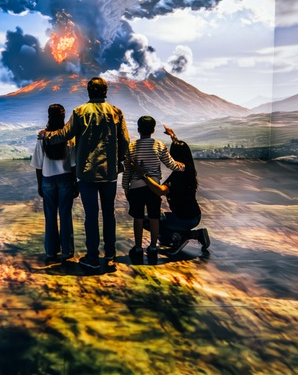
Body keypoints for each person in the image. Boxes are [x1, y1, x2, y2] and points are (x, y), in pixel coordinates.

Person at [39, 77, 130, 269]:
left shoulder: (80, 112)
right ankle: (110, 255)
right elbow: (125, 141)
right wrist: (118, 161)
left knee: (91, 216)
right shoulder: (116, 112)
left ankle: (92, 257)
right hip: (109, 173)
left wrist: (47, 136)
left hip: (87, 173)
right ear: (106, 91)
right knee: (109, 214)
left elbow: (64, 134)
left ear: (88, 91)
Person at [128, 125, 210, 253]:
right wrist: (172, 135)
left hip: (184, 219)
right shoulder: (187, 169)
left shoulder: (177, 177)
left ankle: (184, 236)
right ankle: (182, 235)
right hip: (192, 215)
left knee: (148, 221)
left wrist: (143, 174)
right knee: (161, 232)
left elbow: (160, 190)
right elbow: (181, 149)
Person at [122, 116, 185, 257]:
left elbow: (128, 170)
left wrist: (126, 187)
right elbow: (171, 164)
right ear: (153, 130)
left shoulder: (131, 147)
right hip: (154, 187)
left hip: (136, 187)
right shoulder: (159, 145)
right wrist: (184, 166)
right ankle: (152, 247)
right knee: (154, 217)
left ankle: (138, 248)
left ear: (138, 129)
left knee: (138, 218)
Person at [32, 103, 77, 260]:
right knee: (65, 215)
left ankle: (51, 251)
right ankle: (67, 251)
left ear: (49, 116)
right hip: (66, 179)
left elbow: (38, 165)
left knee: (50, 216)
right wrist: (76, 184)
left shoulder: (42, 137)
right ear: (63, 117)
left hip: (47, 180)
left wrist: (39, 185)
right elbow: (73, 164)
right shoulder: (69, 137)